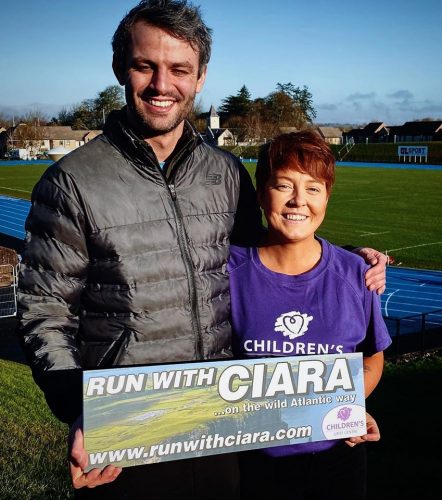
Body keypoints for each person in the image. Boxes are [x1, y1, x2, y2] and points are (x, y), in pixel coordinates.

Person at [17, 1, 387, 498]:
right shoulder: (72, 182)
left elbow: (270, 251)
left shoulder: (226, 173)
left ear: (201, 77)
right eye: (145, 65)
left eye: (179, 69)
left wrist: (344, 259)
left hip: (223, 427)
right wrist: (80, 409)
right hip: (131, 427)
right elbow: (45, 311)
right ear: (120, 67)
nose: (162, 84)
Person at [228, 131, 392, 500]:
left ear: (327, 198)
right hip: (248, 463)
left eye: (313, 188)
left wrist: (348, 406)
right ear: (260, 193)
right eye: (283, 185)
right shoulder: (226, 272)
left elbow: (371, 361)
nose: (298, 200)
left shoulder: (356, 274)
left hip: (336, 463)